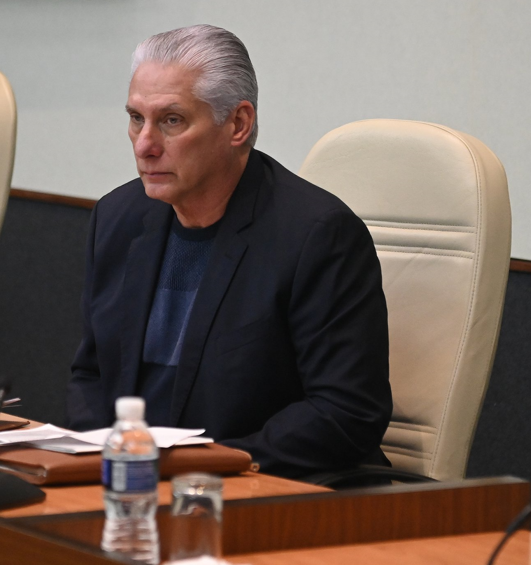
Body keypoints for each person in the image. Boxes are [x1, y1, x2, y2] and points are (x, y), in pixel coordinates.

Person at [64, 24, 392, 479]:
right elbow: (92, 375)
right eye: (136, 118)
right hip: (134, 484)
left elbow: (345, 412)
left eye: (171, 121)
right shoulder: (117, 217)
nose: (145, 145)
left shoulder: (316, 235)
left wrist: (195, 466)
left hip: (258, 485)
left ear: (238, 124)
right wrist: (100, 464)